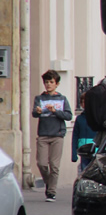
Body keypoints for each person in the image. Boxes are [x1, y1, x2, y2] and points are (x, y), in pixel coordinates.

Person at [32, 69, 73, 201]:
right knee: (42, 163)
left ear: (57, 84)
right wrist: (38, 111)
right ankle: (50, 183)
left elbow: (68, 115)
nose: (48, 84)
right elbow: (34, 113)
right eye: (46, 82)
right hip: (43, 134)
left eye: (51, 82)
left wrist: (55, 111)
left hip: (57, 134)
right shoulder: (39, 98)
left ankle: (51, 192)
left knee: (54, 165)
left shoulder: (61, 99)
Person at [72, 93, 99, 174]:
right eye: (83, 102)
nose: (85, 104)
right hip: (83, 151)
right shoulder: (79, 119)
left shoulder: (97, 117)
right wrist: (74, 153)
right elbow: (75, 136)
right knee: (84, 172)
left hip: (95, 150)